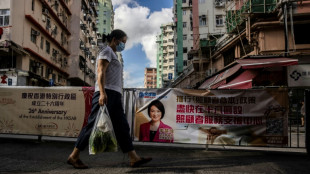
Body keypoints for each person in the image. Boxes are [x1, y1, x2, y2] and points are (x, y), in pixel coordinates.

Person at [67, 29, 152, 169]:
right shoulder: (106, 51)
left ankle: (133, 157)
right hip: (107, 93)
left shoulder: (112, 53)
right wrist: (102, 93)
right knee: (92, 125)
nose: (123, 45)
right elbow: (101, 71)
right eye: (122, 42)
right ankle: (74, 156)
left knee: (122, 126)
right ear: (114, 40)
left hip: (114, 94)